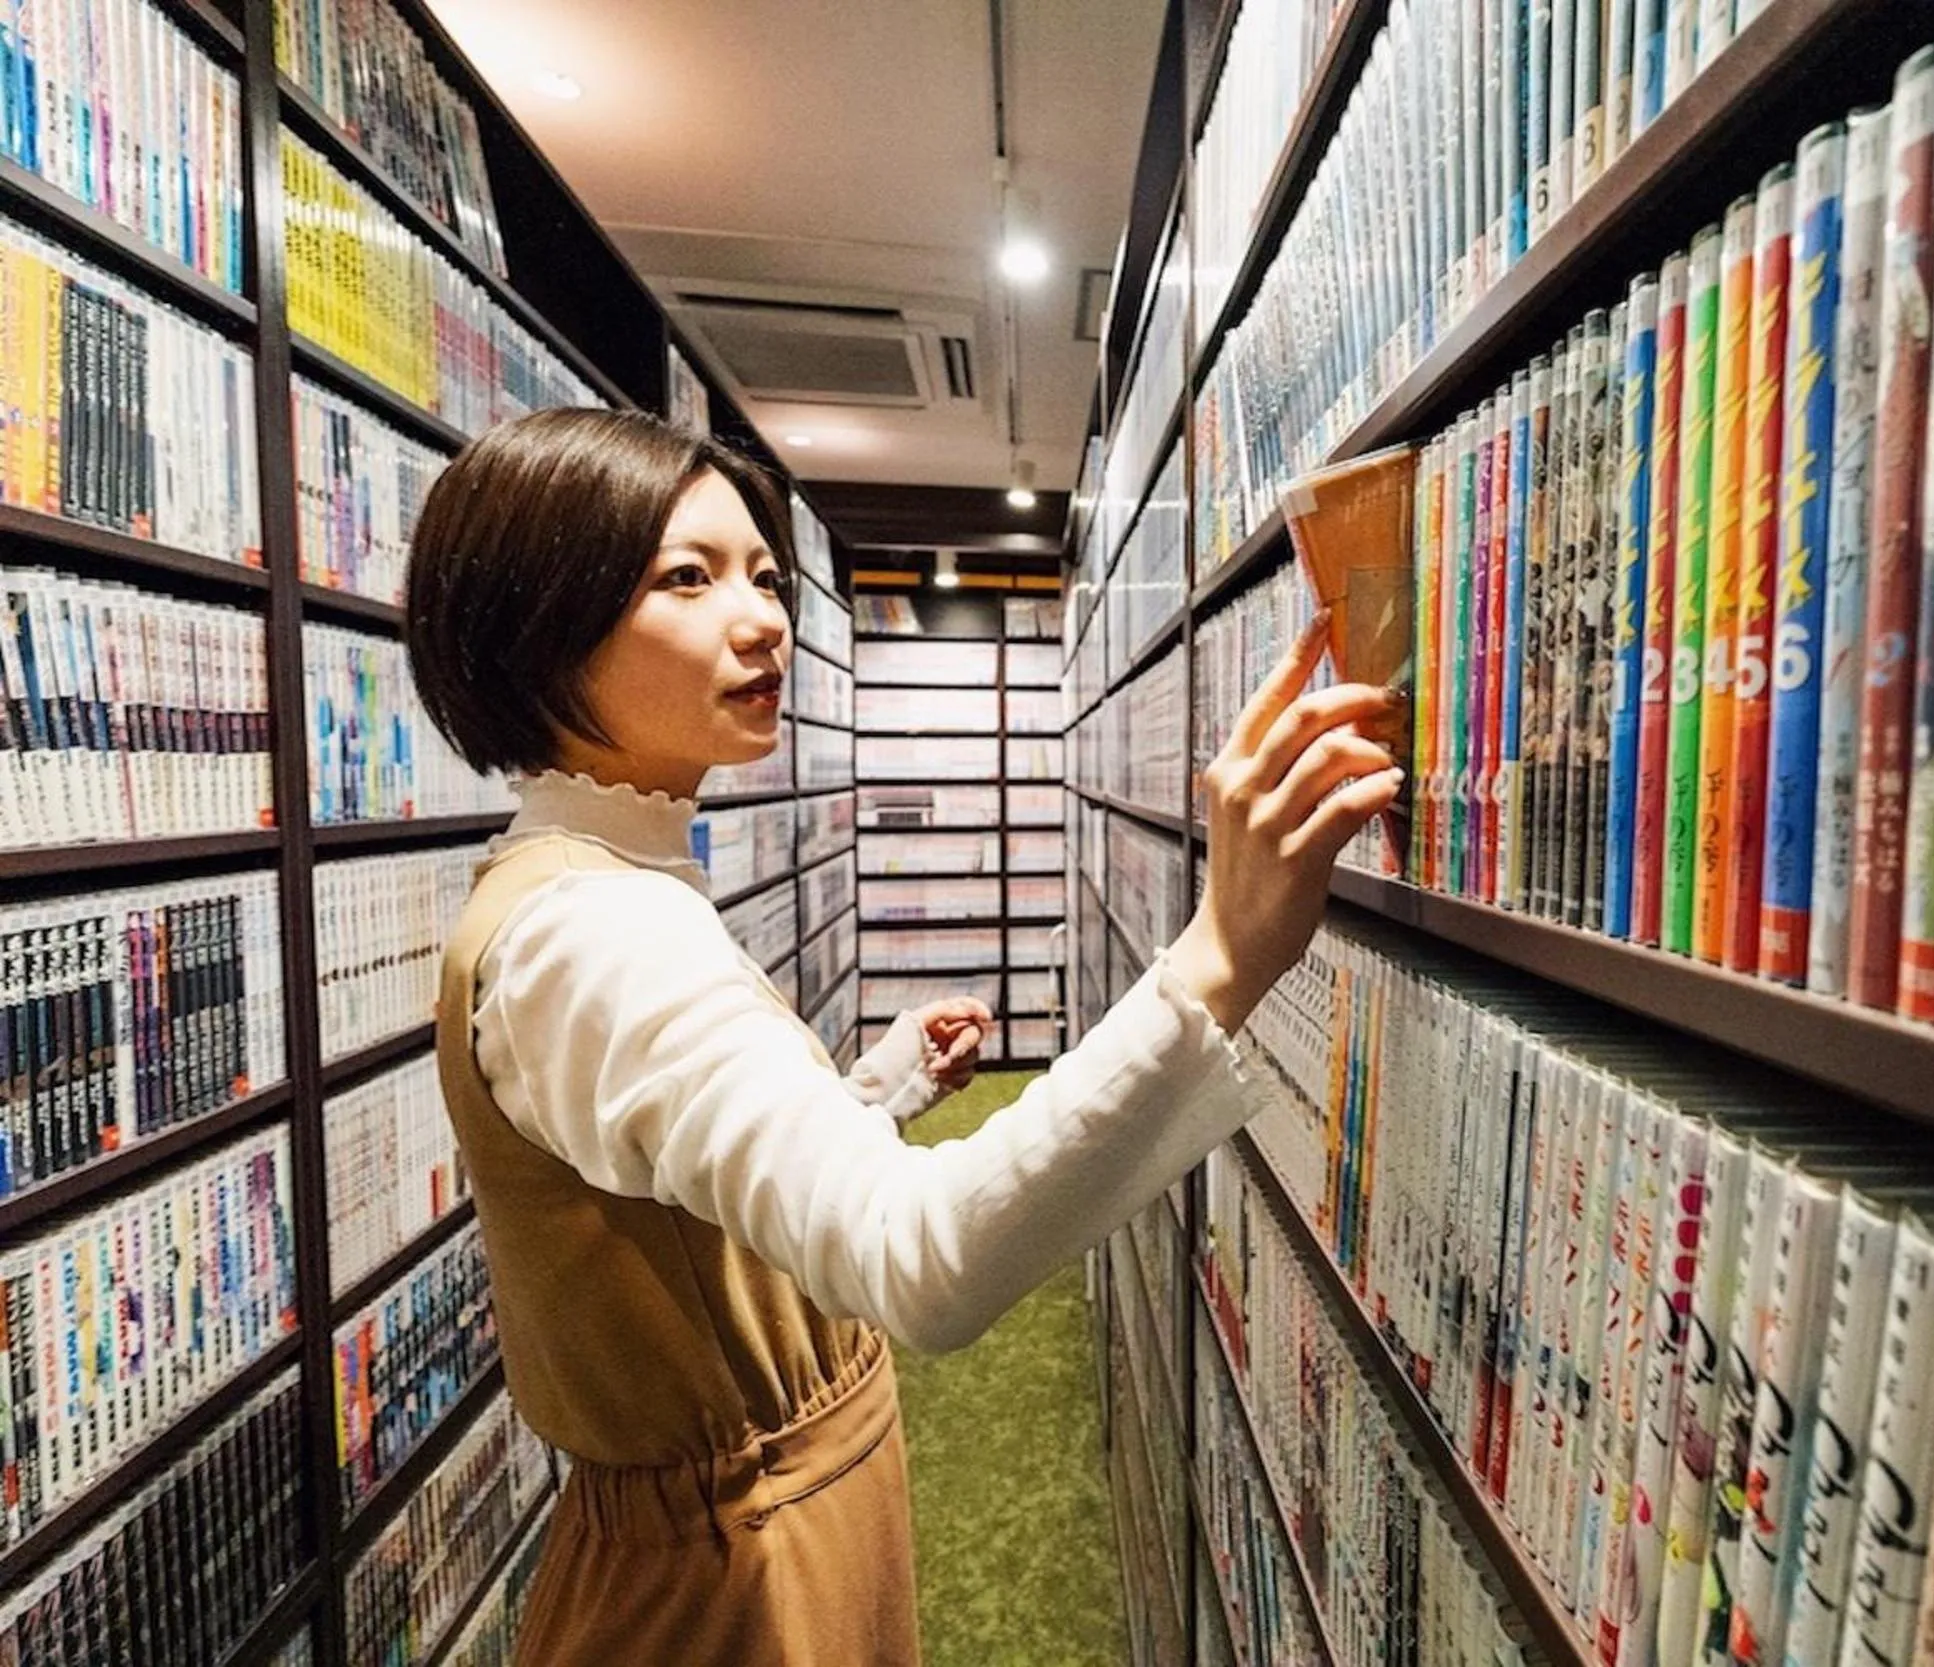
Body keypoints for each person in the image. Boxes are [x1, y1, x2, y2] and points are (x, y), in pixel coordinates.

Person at [404, 409, 1402, 1665]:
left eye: (765, 575)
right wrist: (1222, 951)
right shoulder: (595, 929)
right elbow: (918, 1260)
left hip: (747, 1541)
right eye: (687, 578)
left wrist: (866, 1089)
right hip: (727, 1593)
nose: (763, 616)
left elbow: (668, 1188)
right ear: (537, 618)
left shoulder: (589, 879)